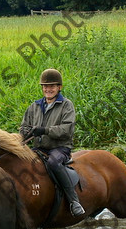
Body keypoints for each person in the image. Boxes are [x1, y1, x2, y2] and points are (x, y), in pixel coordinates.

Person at [20, 68, 85, 217]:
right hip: (38, 148)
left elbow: (66, 129)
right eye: (45, 86)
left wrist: (44, 130)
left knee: (53, 163)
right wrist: (25, 133)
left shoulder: (66, 105)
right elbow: (24, 126)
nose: (48, 89)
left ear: (59, 87)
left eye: (52, 86)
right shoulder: (34, 107)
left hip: (59, 148)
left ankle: (74, 201)